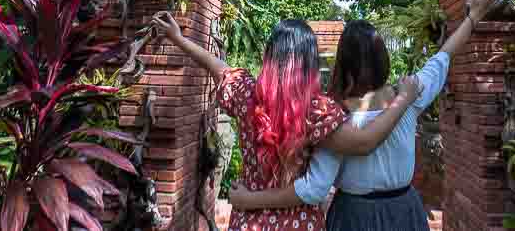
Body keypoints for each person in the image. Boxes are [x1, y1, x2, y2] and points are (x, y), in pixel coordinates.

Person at [227, 0, 502, 231]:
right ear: (383, 61)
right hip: (404, 210)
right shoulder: (410, 93)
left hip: (352, 216)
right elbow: (443, 56)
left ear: (343, 67)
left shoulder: (332, 116)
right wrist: (473, 17)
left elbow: (314, 188)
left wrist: (250, 200)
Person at [151, 12, 423, 231]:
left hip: (249, 220)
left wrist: (178, 38)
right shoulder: (318, 111)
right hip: (301, 223)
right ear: (310, 62)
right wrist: (404, 99)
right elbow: (365, 141)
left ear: (270, 55)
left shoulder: (247, 93)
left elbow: (219, 68)